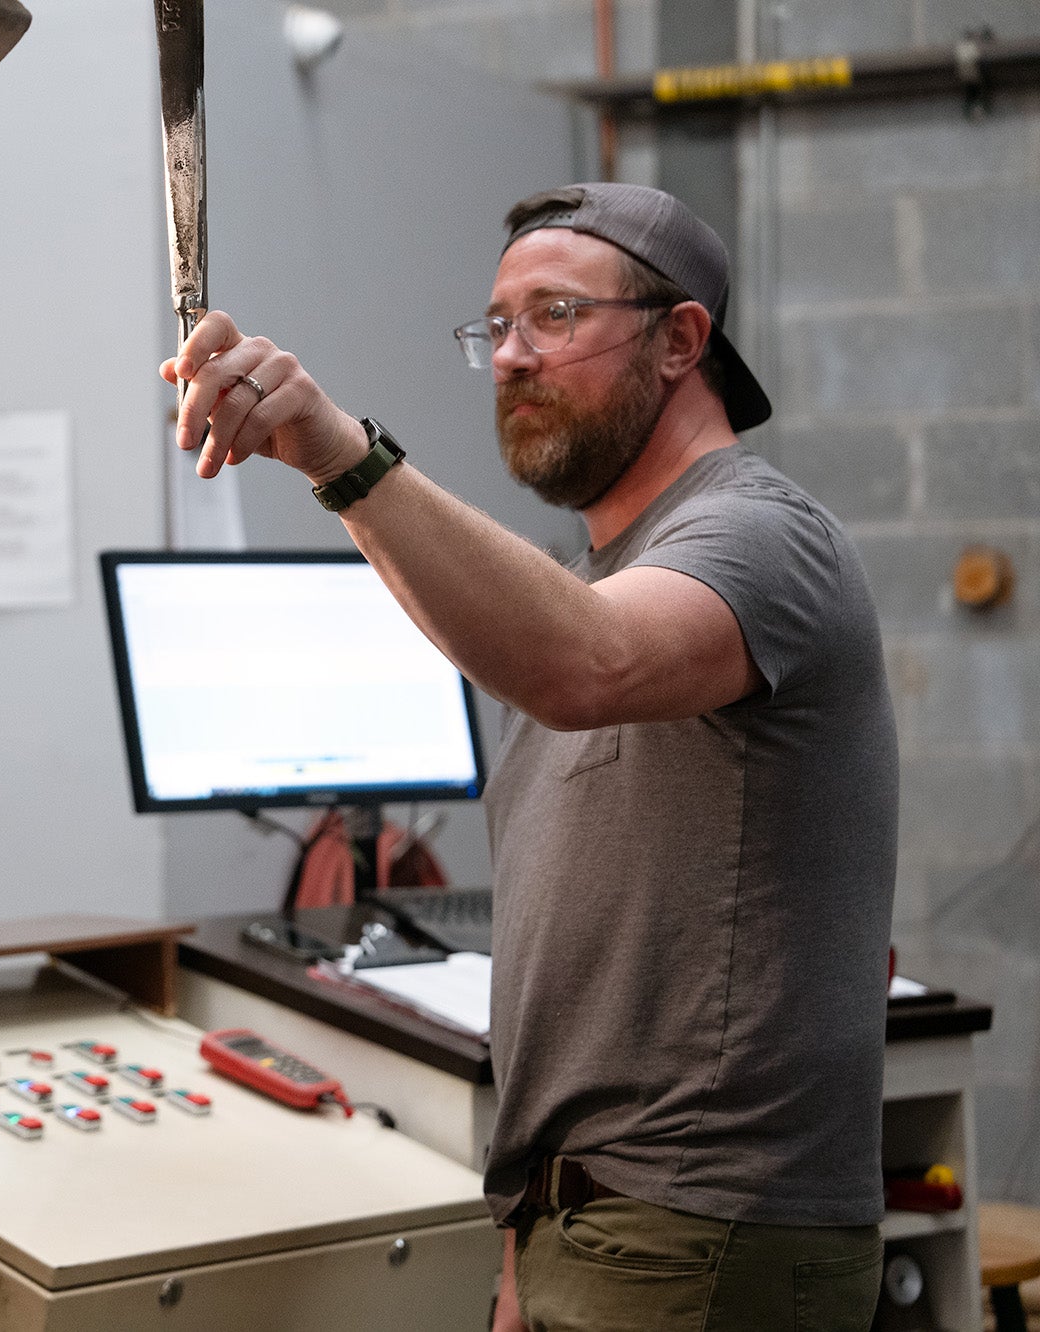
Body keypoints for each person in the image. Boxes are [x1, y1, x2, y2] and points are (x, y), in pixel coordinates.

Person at [163, 183, 896, 1331]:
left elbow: (583, 665)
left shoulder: (760, 535)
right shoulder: (599, 576)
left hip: (698, 1235)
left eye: (553, 316)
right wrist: (526, 1242)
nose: (510, 356)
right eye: (495, 328)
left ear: (679, 339)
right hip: (586, 1226)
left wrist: (334, 453)